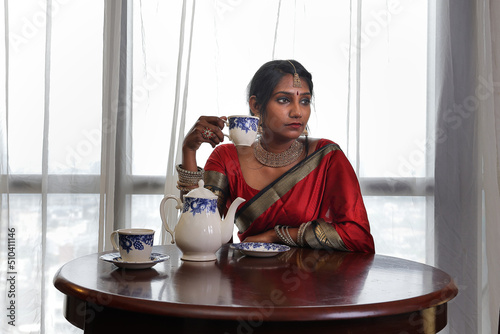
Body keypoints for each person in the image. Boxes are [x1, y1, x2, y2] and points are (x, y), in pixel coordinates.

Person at [177, 59, 375, 253]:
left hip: (311, 281)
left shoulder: (327, 157)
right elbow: (198, 231)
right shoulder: (227, 158)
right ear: (256, 105)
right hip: (245, 278)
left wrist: (277, 235)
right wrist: (189, 150)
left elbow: (358, 237)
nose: (298, 112)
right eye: (284, 100)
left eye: (304, 101)